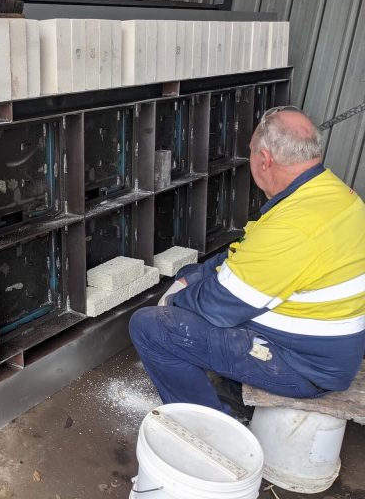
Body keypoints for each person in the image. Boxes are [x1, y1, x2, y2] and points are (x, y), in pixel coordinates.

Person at [130, 106, 365, 416]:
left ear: (264, 159)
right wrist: (195, 275)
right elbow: (248, 253)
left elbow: (217, 305)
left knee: (151, 328)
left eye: (252, 152)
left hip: (305, 366)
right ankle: (233, 390)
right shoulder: (332, 194)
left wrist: (174, 301)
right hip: (324, 341)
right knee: (196, 273)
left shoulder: (292, 228)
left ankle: (208, 428)